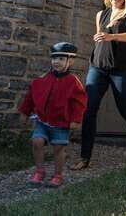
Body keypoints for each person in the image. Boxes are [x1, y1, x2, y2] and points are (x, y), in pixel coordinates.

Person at [71, 0, 126, 170]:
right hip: (98, 67)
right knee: (89, 110)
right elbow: (100, 38)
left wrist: (112, 36)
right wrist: (100, 38)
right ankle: (85, 157)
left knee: (124, 108)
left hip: (121, 70)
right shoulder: (100, 14)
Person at [18, 42, 86, 187]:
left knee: (58, 148)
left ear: (70, 61)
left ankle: (58, 175)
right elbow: (31, 96)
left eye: (61, 59)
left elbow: (79, 103)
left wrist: (76, 120)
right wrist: (25, 112)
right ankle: (39, 171)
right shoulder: (42, 79)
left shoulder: (73, 82)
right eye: (54, 58)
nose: (56, 62)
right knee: (36, 142)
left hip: (61, 123)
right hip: (42, 121)